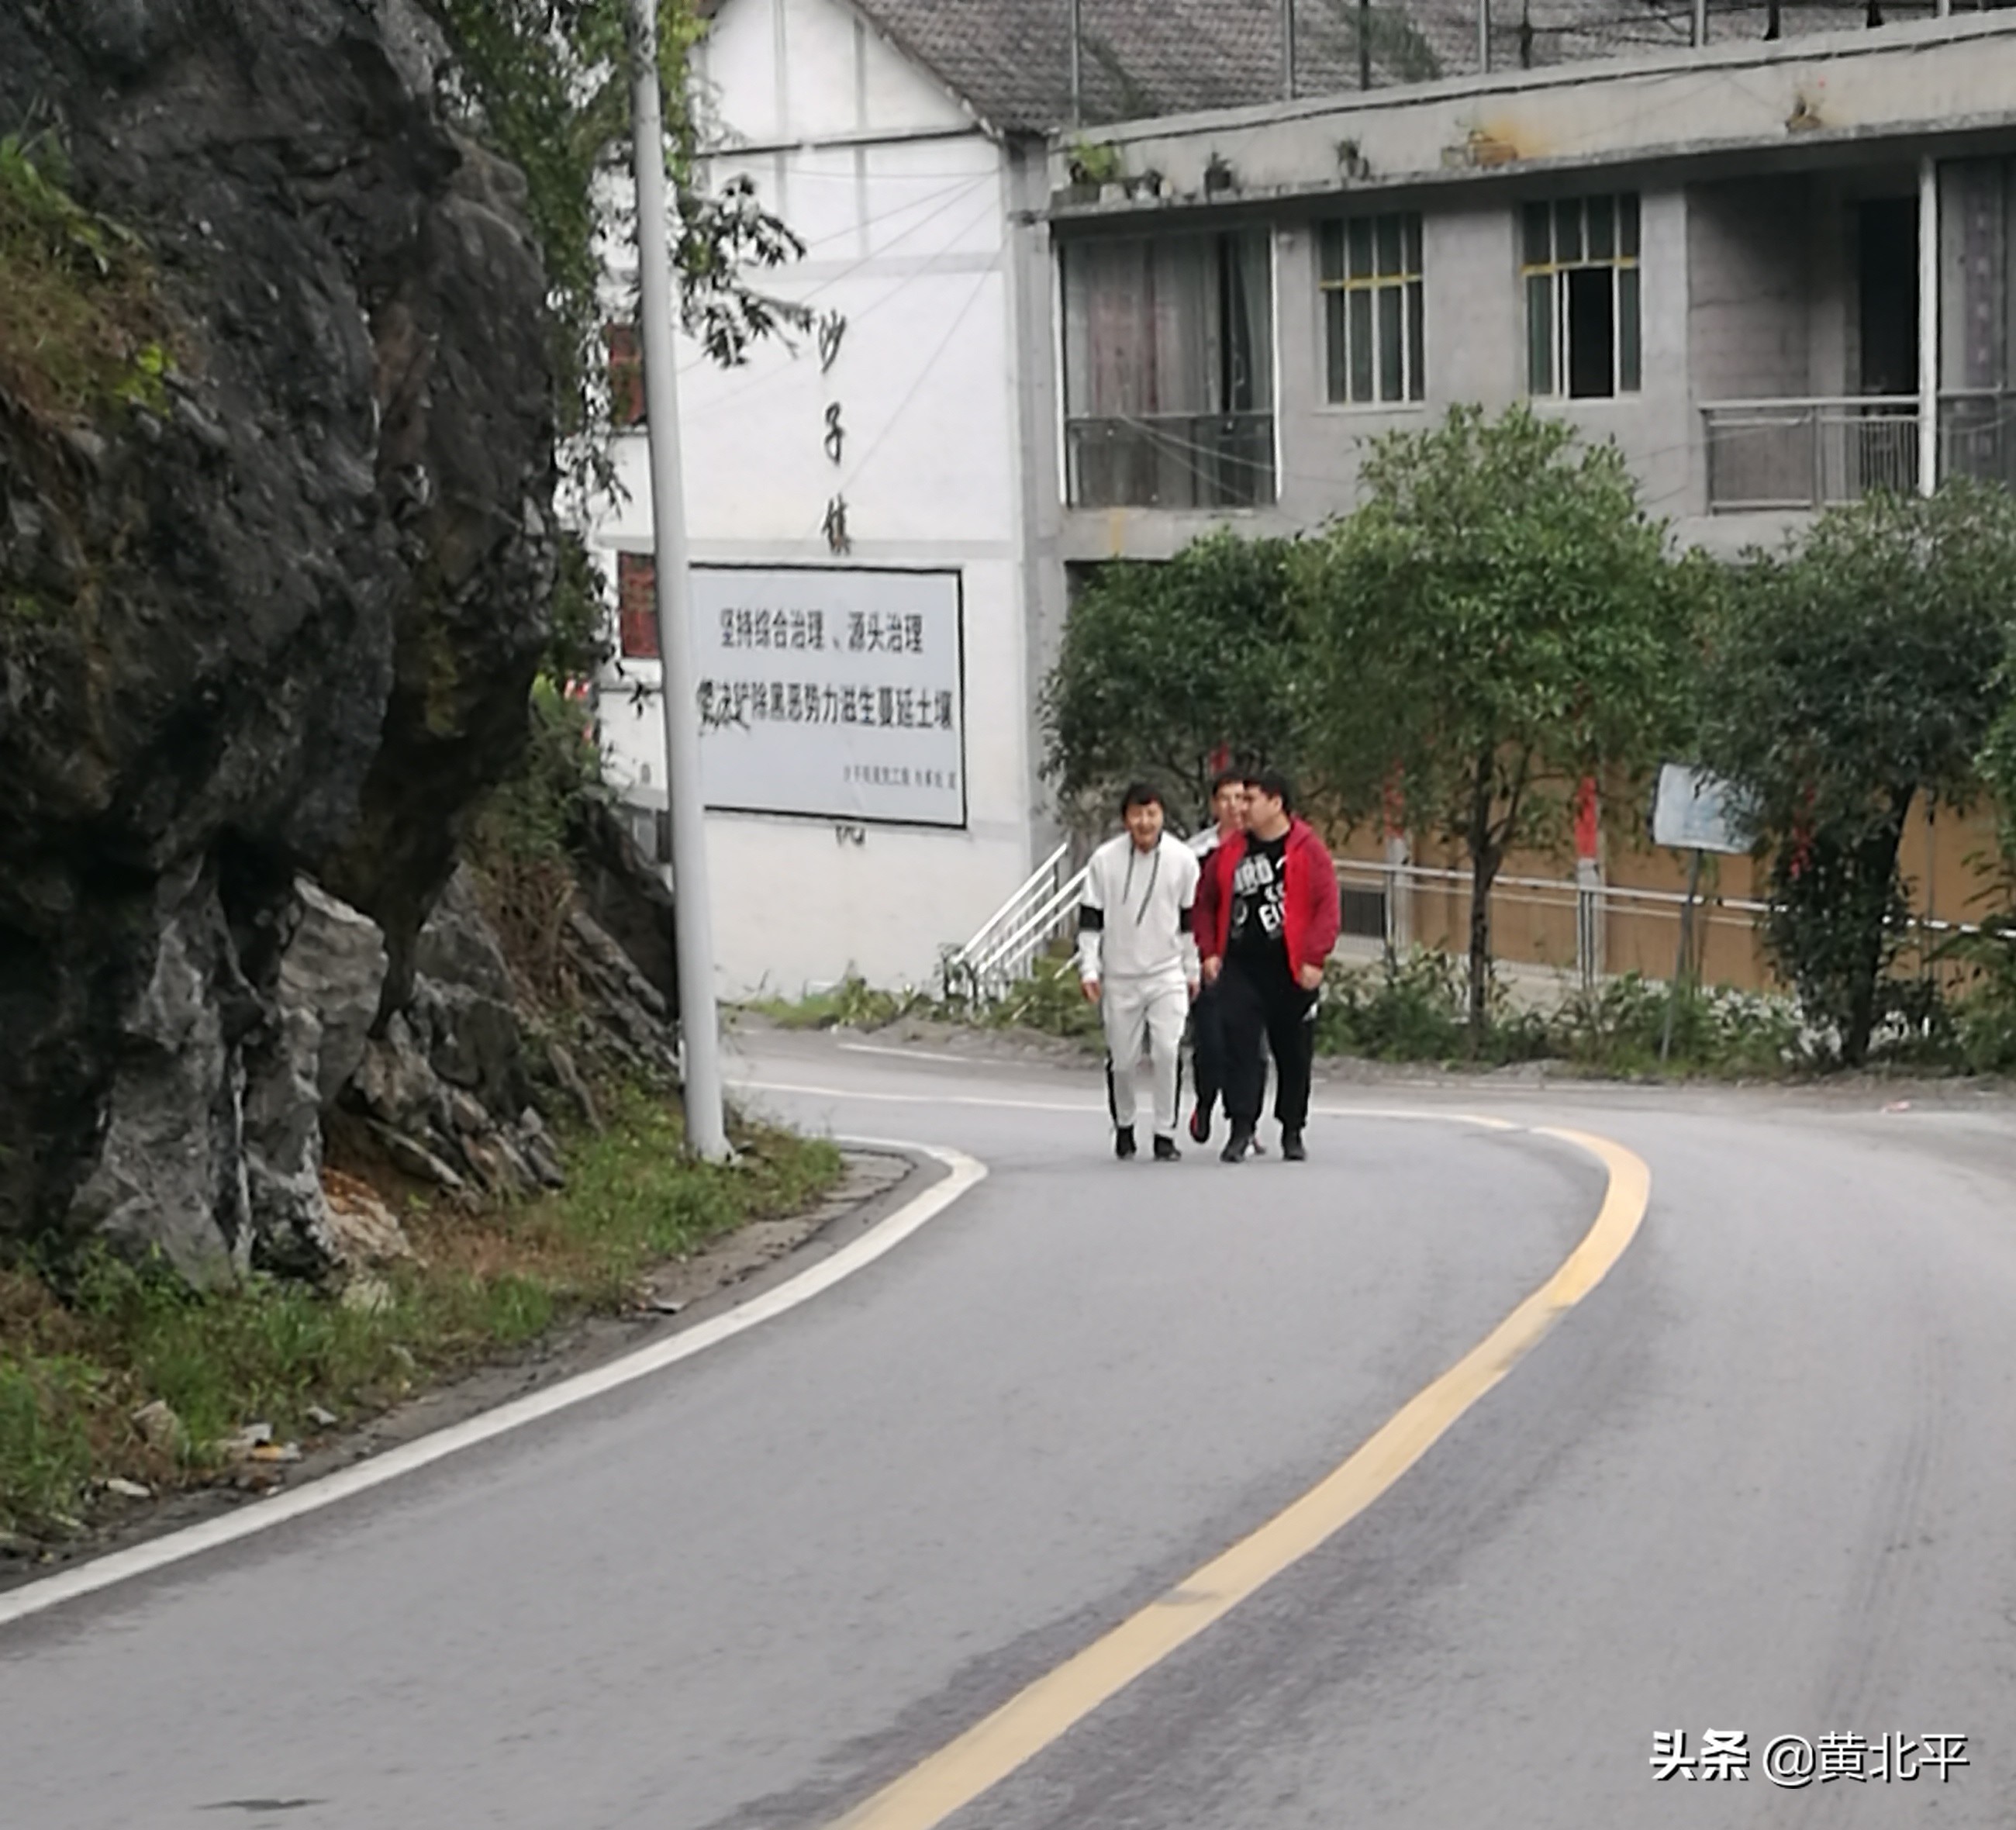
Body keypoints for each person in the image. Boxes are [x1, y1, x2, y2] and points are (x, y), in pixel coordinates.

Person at [1195, 769, 1340, 1163]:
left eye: (1250, 800)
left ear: (1276, 803)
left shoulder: (1308, 849)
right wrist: (1209, 951)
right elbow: (1205, 902)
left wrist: (1314, 957)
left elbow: (1328, 906)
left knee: (1293, 1051)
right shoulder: (1230, 852)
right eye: (1238, 799)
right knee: (1240, 1048)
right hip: (1242, 965)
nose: (1241, 807)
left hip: (1290, 967)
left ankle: (1293, 1128)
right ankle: (1241, 1127)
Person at [1077, 782, 1201, 1162]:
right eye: (1137, 814)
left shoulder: (1183, 860)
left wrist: (1192, 968)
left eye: (1152, 813)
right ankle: (1125, 1126)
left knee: (1167, 1051)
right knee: (1124, 1059)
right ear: (1125, 819)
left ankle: (1166, 1132)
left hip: (1166, 973)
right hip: (1120, 975)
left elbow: (1189, 922)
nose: (1144, 822)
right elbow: (1090, 918)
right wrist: (1089, 967)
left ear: (1162, 815)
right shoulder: (1104, 861)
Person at [1185, 770, 1248, 1146]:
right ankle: (1205, 1102)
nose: (1234, 806)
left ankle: (1244, 1123)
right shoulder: (1196, 853)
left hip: (1249, 963)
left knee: (1249, 1049)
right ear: (1214, 804)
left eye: (1241, 798)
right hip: (1207, 959)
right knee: (1211, 1044)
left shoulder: (1261, 849)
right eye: (1225, 798)